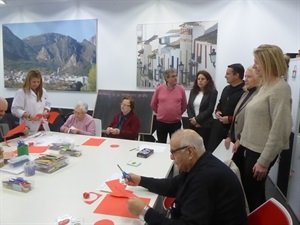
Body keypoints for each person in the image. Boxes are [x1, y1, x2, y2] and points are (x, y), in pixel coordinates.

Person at [125, 129, 247, 225]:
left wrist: (145, 212)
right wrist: (141, 180)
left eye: (173, 152)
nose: (171, 158)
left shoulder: (204, 179)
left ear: (189, 151)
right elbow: (173, 185)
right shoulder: (200, 163)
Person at [239, 44, 292, 212]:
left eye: (257, 62)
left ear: (269, 62)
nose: (254, 66)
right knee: (250, 192)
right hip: (252, 149)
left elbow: (280, 129)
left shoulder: (280, 88)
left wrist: (264, 161)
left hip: (261, 153)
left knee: (254, 196)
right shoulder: (265, 86)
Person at [224, 67, 260, 174]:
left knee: (245, 176)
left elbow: (253, 122)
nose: (246, 79)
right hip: (236, 140)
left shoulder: (258, 96)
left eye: (249, 77)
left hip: (246, 142)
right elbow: (237, 116)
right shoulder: (245, 93)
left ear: (259, 78)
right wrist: (229, 135)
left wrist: (241, 138)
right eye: (245, 77)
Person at [206, 63, 245, 152]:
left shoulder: (244, 92)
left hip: (236, 133)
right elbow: (220, 103)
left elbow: (245, 114)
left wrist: (230, 119)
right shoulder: (226, 89)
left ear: (236, 75)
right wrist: (217, 111)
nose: (225, 76)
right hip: (220, 129)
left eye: (228, 74)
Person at [150, 68, 187, 143]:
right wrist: (161, 112)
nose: (175, 78)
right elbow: (153, 104)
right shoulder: (159, 89)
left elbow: (184, 105)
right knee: (161, 144)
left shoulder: (181, 90)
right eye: (173, 76)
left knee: (176, 145)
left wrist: (177, 114)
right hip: (161, 123)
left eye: (176, 76)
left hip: (175, 123)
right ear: (167, 78)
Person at [11, 70, 51, 134]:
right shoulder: (21, 92)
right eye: (34, 82)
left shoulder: (43, 91)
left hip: (42, 125)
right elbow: (15, 109)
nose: (36, 84)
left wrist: (46, 110)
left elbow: (47, 103)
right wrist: (30, 116)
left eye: (38, 82)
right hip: (29, 126)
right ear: (28, 81)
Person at [187, 70, 218, 148]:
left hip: (205, 124)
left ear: (207, 81)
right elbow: (189, 107)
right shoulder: (193, 91)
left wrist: (197, 120)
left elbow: (210, 109)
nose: (200, 81)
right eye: (198, 79)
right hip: (193, 124)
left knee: (202, 148)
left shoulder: (213, 92)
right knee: (192, 147)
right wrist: (193, 120)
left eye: (203, 79)